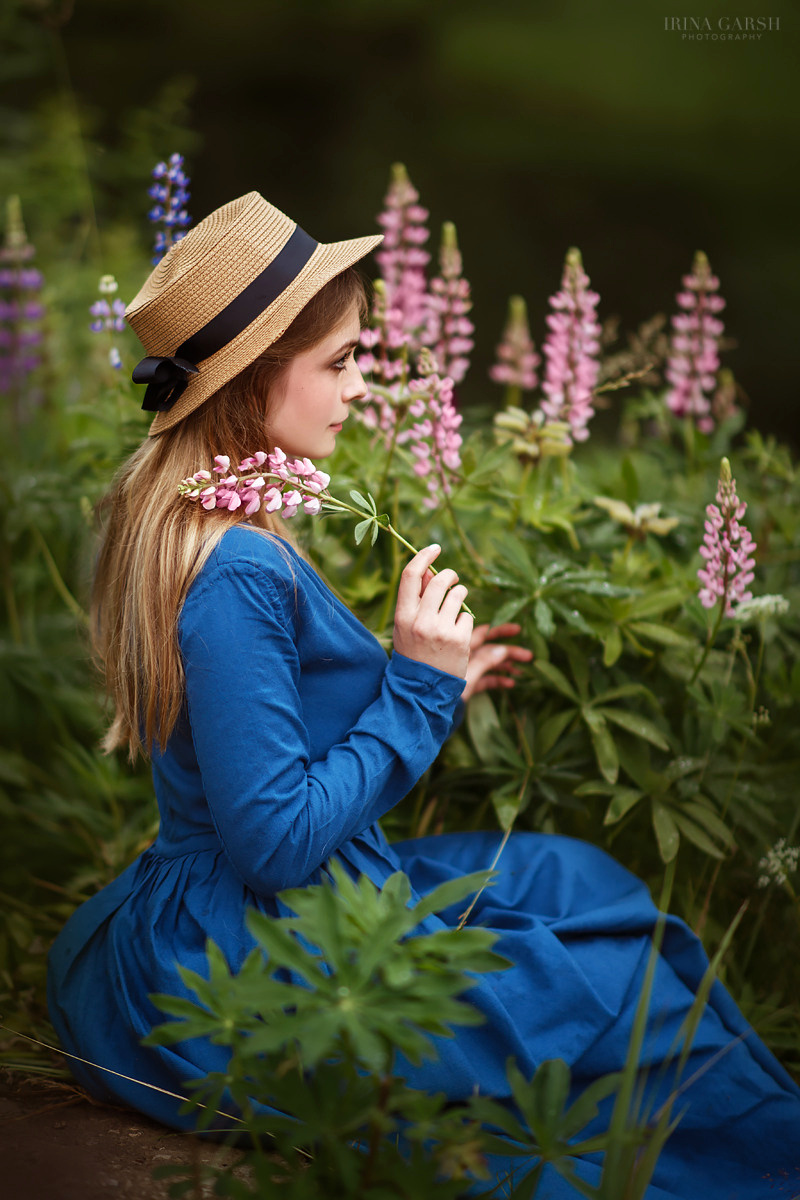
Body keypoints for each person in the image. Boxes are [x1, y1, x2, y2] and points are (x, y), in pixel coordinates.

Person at [48, 192, 800, 1198]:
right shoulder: (235, 569)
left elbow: (268, 711)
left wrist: (440, 674)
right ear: (256, 378)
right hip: (253, 948)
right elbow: (273, 841)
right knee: (625, 983)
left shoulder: (198, 519)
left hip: (240, 905)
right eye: (340, 362)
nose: (361, 386)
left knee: (570, 878)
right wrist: (413, 690)